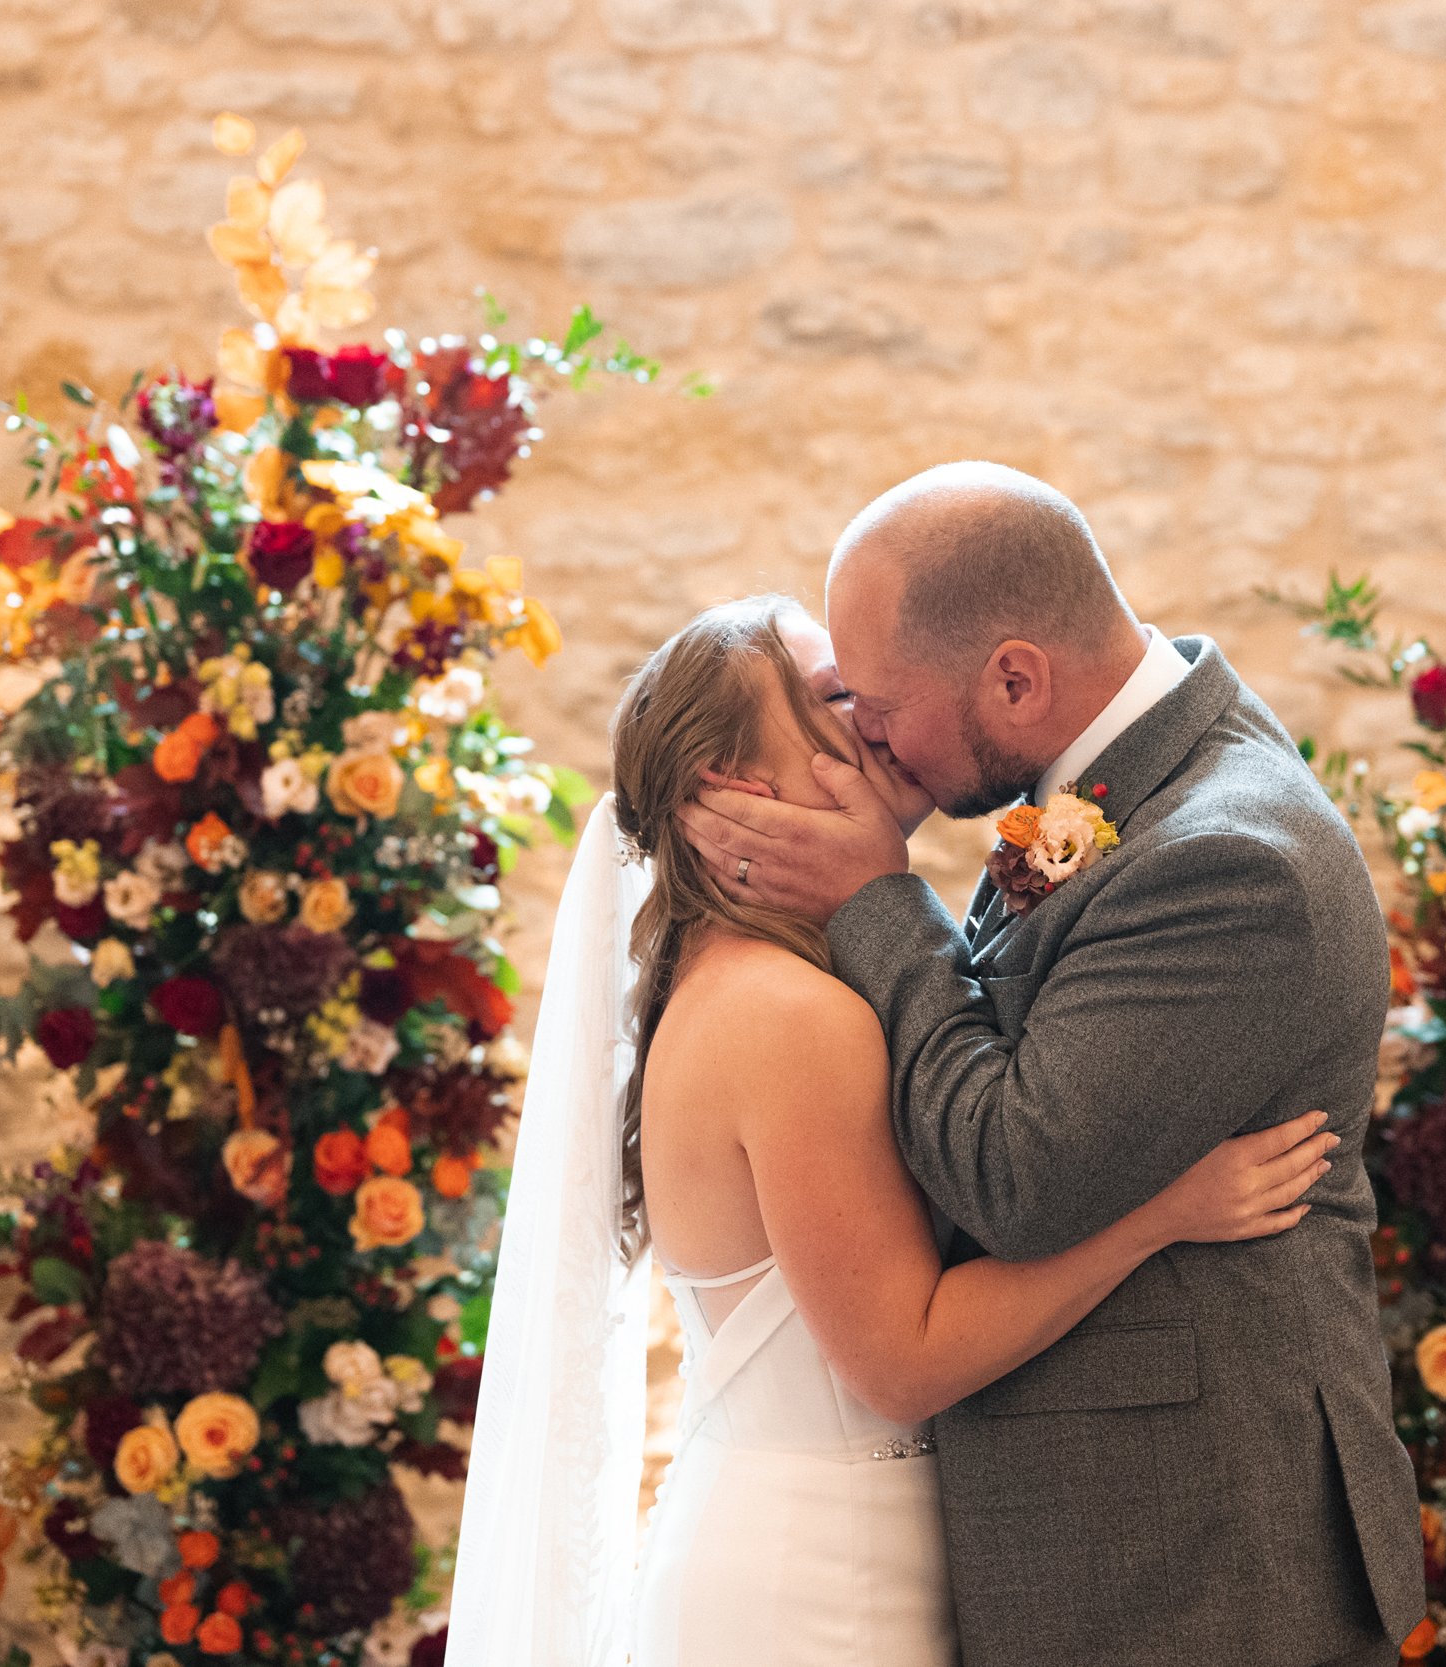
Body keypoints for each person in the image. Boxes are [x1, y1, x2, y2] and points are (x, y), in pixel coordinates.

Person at [444, 594, 1340, 1667]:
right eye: (834, 698)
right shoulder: (787, 1014)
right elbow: (902, 1358)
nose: (875, 716)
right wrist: (1161, 1213)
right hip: (822, 1582)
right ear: (741, 787)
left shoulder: (771, 980)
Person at [675, 463, 1428, 1667]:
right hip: (1112, 1550)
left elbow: (1011, 1177)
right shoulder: (1119, 786)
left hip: (1191, 1560)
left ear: (1016, 676)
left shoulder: (1227, 856)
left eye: (877, 702)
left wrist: (879, 898)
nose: (870, 740)